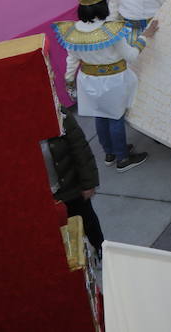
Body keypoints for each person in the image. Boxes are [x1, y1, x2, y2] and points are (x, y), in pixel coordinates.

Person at [56, 0, 155, 172]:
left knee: (100, 116)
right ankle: (123, 159)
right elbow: (132, 56)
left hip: (87, 80)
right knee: (115, 117)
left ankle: (109, 153)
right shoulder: (112, 30)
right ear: (102, 6)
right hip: (114, 80)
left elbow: (72, 59)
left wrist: (69, 79)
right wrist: (145, 37)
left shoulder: (72, 31)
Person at [48, 106, 104, 256]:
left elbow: (80, 148)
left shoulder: (59, 114)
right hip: (49, 199)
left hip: (71, 188)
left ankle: (100, 249)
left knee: (87, 220)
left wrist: (88, 182)